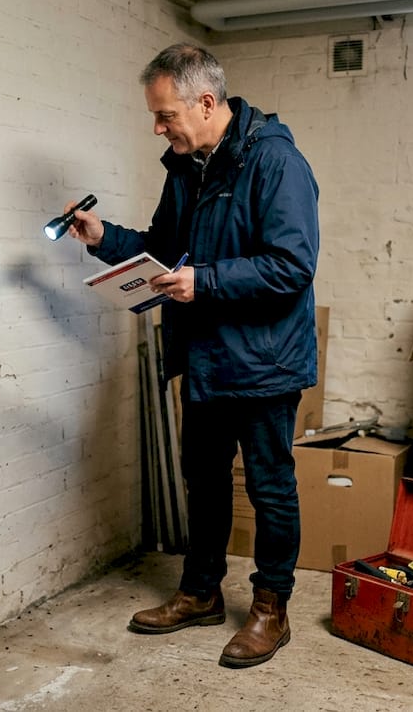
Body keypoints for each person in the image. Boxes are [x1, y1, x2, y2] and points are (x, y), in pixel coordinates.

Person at [61, 42, 319, 669]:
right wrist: (103, 240)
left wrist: (204, 281)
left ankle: (270, 608)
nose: (158, 127)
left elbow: (292, 266)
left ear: (206, 103)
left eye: (165, 115)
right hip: (203, 359)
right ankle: (201, 592)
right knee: (202, 482)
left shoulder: (275, 162)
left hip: (262, 363)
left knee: (269, 488)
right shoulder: (186, 167)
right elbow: (161, 246)